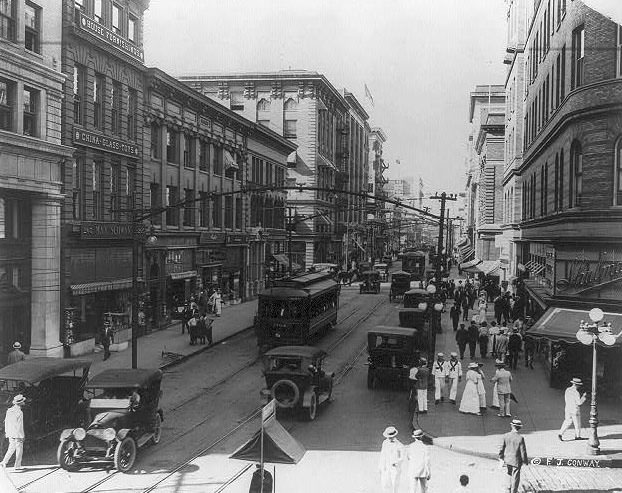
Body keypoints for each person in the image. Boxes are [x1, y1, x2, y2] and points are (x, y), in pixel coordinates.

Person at [499, 418, 528, 493]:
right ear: (519, 428)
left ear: (512, 426)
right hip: (516, 461)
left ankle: (508, 488)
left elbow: (501, 448)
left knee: (508, 473)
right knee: (516, 476)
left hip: (507, 459)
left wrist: (501, 457)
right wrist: (525, 461)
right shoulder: (520, 438)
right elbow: (523, 451)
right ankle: (514, 490)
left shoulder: (506, 435)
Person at [1, 394, 26, 470]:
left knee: (11, 448)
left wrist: (7, 432)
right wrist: (22, 436)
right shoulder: (19, 412)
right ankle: (17, 465)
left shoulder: (9, 410)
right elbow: (20, 426)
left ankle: (4, 462)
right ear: (20, 403)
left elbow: (6, 422)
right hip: (17, 434)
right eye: (23, 401)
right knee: (19, 450)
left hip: (10, 433)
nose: (24, 402)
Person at [379, 426, 404, 493]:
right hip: (386, 467)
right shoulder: (385, 443)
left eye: (390, 437)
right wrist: (380, 467)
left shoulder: (399, 445)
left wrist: (396, 462)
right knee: (385, 484)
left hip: (395, 468)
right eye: (388, 437)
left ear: (394, 436)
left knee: (394, 485)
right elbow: (382, 454)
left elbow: (402, 457)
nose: (389, 438)